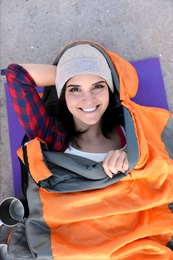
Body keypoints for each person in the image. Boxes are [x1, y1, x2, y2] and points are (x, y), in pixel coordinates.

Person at [2, 43, 129, 178]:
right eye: (74, 89)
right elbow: (16, 75)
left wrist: (130, 155)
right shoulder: (50, 136)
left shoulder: (131, 129)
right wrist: (68, 71)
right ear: (63, 96)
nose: (88, 99)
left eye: (97, 86)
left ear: (109, 91)